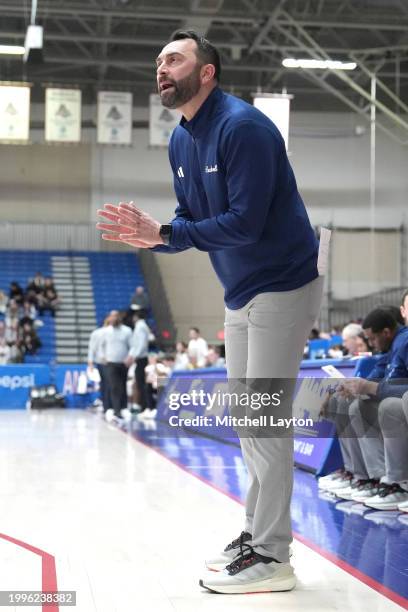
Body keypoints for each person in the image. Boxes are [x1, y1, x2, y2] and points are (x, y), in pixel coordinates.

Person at [96, 30, 324, 594]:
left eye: (174, 59)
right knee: (249, 423)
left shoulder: (242, 128)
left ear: (207, 73)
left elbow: (243, 223)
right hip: (240, 291)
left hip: (282, 284)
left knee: (263, 421)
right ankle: (256, 535)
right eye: (158, 59)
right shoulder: (181, 140)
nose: (162, 67)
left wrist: (169, 232)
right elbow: (189, 222)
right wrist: (157, 239)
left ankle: (274, 556)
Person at [100, 310, 133, 421]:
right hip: (110, 362)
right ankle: (116, 410)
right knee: (114, 386)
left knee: (123, 385)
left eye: (115, 316)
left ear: (119, 318)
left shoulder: (127, 331)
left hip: (123, 362)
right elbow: (101, 346)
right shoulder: (105, 332)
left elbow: (132, 345)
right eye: (111, 316)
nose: (113, 319)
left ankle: (124, 408)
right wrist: (102, 356)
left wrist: (130, 357)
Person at [125, 311, 150, 413]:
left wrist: (135, 356)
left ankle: (144, 406)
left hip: (141, 357)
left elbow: (141, 343)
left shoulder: (141, 326)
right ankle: (142, 405)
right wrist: (131, 355)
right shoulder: (139, 326)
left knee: (141, 383)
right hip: (139, 357)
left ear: (136, 317)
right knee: (138, 383)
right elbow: (136, 344)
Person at [88, 317, 111, 413]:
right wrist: (91, 362)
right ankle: (107, 405)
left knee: (108, 384)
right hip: (104, 361)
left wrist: (91, 362)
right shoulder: (98, 333)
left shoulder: (116, 333)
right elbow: (92, 348)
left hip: (111, 361)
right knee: (106, 384)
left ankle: (109, 405)